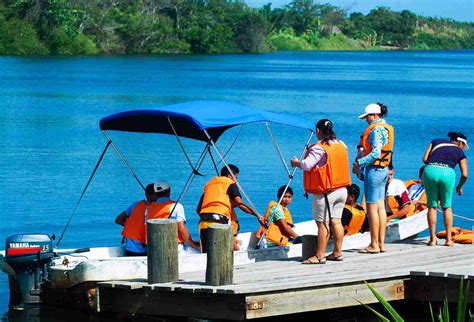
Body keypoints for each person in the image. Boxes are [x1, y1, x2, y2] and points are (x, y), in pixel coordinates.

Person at [291, 119, 351, 264]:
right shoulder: (341, 144)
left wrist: (296, 163)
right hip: (342, 189)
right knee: (336, 222)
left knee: (322, 224)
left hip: (326, 192)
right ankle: (337, 253)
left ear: (318, 131)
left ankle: (320, 255)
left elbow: (307, 165)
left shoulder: (319, 148)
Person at [115, 181, 200, 256]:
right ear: (169, 191)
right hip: (167, 248)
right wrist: (192, 244)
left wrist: (131, 226)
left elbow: (119, 220)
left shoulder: (146, 208)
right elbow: (181, 228)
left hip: (148, 248)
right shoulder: (174, 206)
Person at [352, 102, 394, 254]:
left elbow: (375, 153)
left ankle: (374, 244)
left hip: (374, 171)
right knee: (381, 207)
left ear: (375, 115)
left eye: (368, 116)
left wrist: (359, 163)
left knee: (371, 208)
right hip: (384, 170)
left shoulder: (376, 130)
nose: (366, 120)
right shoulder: (387, 128)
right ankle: (381, 244)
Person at [196, 164, 266, 253]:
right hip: (219, 221)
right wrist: (257, 215)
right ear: (230, 176)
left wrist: (209, 216)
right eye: (236, 178)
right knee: (221, 252)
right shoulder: (230, 183)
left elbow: (198, 209)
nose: (236, 181)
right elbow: (240, 204)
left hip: (203, 222)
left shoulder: (209, 185)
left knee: (206, 254)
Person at [422, 132, 468, 246]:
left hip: (430, 171)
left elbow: (425, 159)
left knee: (432, 206)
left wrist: (435, 165)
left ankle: (432, 240)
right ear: (460, 142)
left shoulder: (435, 141)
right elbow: (465, 174)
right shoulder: (459, 151)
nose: (463, 148)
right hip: (448, 173)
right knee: (446, 207)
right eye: (463, 145)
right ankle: (448, 240)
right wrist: (459, 187)